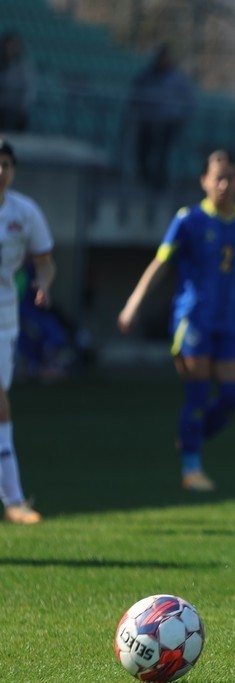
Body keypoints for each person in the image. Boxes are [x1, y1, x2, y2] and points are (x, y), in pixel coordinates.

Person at [117, 150, 235, 492]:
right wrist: (133, 303)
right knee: (198, 393)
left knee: (233, 395)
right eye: (218, 178)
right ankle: (191, 470)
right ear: (204, 181)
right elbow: (161, 263)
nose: (224, 184)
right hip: (193, 322)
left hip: (230, 323)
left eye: (230, 177)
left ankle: (190, 437)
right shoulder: (188, 220)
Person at [0, 137, 56, 523]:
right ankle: (14, 499)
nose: (0, 171)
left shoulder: (25, 212)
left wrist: (43, 284)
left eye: (5, 164)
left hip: (4, 320)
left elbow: (45, 261)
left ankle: (14, 501)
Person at [129, 43, 196, 191]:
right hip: (148, 122)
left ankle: (160, 184)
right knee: (143, 152)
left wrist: (181, 118)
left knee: (163, 155)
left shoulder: (177, 78)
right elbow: (135, 96)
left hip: (168, 123)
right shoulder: (146, 76)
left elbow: (190, 100)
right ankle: (144, 180)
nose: (163, 61)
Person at [0, 32, 35, 132]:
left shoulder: (23, 66)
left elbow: (29, 88)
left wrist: (23, 106)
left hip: (16, 109)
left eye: (13, 46)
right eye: (8, 46)